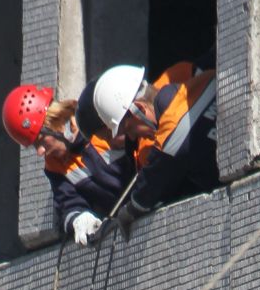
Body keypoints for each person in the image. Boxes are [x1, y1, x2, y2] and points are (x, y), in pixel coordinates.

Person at [76, 62, 217, 219]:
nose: (132, 137)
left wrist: (131, 208)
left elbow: (153, 180)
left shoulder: (173, 130)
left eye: (128, 129)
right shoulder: (206, 80)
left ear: (140, 110)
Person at [1, 82, 135, 245]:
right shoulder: (56, 166)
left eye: (40, 141)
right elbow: (68, 203)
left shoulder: (99, 122)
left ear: (54, 123)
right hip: (130, 223)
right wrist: (78, 218)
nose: (41, 151)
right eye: (34, 147)